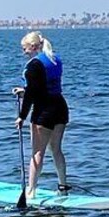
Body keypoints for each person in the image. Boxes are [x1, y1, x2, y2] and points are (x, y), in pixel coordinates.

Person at [13, 31, 69, 199]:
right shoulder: (55, 59)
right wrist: (26, 91)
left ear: (33, 46)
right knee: (56, 150)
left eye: (25, 49)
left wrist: (22, 117)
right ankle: (63, 187)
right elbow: (43, 86)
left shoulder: (33, 65)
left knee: (37, 153)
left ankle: (31, 190)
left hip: (44, 112)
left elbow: (32, 95)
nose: (24, 53)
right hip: (60, 107)